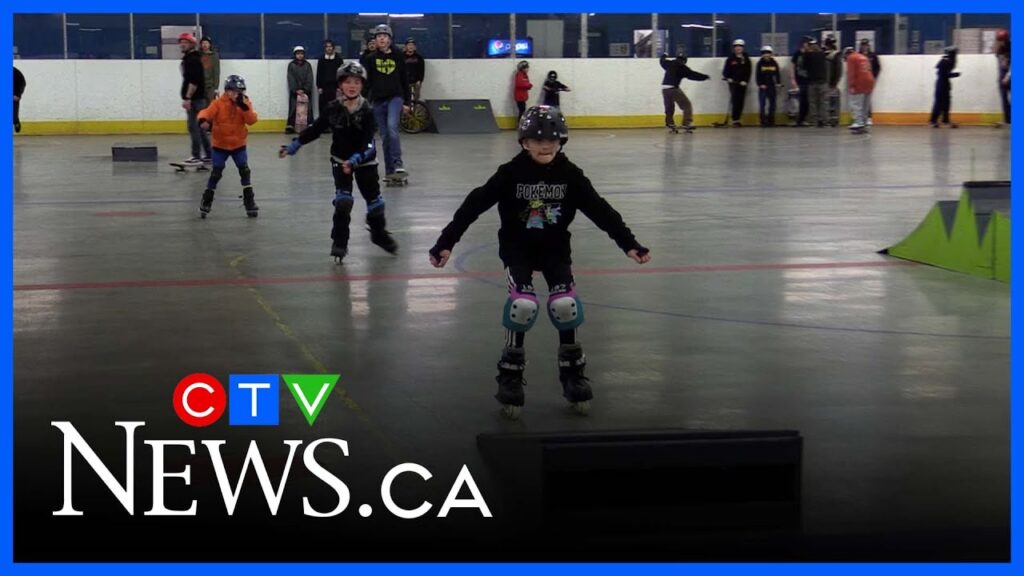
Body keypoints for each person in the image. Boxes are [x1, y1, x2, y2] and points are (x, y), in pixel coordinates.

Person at [426, 105, 651, 419]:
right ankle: (510, 375)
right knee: (523, 306)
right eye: (537, 140)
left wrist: (629, 243)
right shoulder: (510, 173)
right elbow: (473, 205)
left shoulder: (570, 174)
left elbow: (600, 210)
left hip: (555, 249)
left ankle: (573, 374)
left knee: (565, 306)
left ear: (562, 141)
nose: (546, 145)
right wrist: (446, 242)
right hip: (517, 249)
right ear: (524, 142)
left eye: (552, 140)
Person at [279, 62, 398, 262]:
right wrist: (295, 145)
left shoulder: (367, 110)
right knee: (343, 201)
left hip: (364, 160)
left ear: (362, 85)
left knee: (375, 203)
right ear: (340, 85)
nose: (352, 86)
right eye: (348, 82)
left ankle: (378, 234)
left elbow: (369, 143)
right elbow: (315, 129)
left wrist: (356, 159)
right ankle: (339, 242)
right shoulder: (333, 108)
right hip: (340, 159)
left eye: (357, 82)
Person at [196, 75, 259, 218]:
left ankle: (249, 201)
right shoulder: (218, 103)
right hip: (220, 145)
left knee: (244, 171)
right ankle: (207, 199)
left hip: (238, 145)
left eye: (241, 91)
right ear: (228, 91)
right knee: (216, 172)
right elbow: (207, 112)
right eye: (236, 91)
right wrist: (202, 120)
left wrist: (244, 107)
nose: (238, 94)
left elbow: (252, 120)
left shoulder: (245, 102)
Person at [361, 24, 411, 183]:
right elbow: (367, 83)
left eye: (385, 36)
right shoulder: (370, 59)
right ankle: (390, 171)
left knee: (392, 127)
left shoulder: (398, 56)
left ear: (390, 39)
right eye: (379, 36)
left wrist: (407, 102)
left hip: (395, 97)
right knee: (385, 136)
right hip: (378, 100)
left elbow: (404, 80)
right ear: (375, 40)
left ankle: (398, 163)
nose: (381, 38)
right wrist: (361, 101)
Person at [179, 33, 212, 165]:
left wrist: (188, 98)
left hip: (195, 99)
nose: (182, 45)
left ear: (191, 44)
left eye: (185, 42)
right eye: (181, 42)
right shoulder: (194, 58)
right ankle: (209, 155)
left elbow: (194, 81)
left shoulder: (191, 60)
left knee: (194, 127)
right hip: (199, 98)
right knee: (201, 128)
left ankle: (196, 156)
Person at [659, 47, 709, 131]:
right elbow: (693, 75)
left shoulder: (669, 63)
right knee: (686, 105)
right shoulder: (682, 67)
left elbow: (662, 61)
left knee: (669, 107)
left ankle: (669, 123)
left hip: (664, 89)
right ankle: (686, 123)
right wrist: (704, 77)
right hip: (673, 88)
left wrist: (664, 55)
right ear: (684, 60)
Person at [722, 39, 752, 126]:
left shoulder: (746, 59)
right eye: (736, 47)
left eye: (740, 47)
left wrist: (745, 81)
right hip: (733, 83)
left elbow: (748, 71)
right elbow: (725, 71)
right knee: (735, 100)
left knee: (741, 101)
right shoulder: (730, 59)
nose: (738, 48)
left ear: (743, 48)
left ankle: (738, 118)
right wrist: (728, 78)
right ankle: (735, 119)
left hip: (743, 83)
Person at [316, 39, 344, 133]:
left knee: (335, 106)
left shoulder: (338, 59)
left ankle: (334, 124)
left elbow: (341, 74)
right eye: (327, 47)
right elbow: (319, 73)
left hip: (334, 87)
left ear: (333, 48)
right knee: (323, 107)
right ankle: (324, 126)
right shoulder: (321, 59)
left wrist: (340, 86)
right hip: (324, 87)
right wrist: (319, 86)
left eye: (330, 46)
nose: (328, 48)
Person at [845, 46, 875, 132]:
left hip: (859, 82)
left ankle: (858, 122)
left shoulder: (851, 58)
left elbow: (851, 73)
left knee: (856, 104)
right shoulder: (863, 57)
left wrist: (851, 85)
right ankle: (864, 122)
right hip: (869, 81)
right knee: (865, 105)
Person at [930, 46, 961, 128]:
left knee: (945, 104)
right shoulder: (946, 61)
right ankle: (934, 121)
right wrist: (955, 74)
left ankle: (944, 120)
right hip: (942, 85)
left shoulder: (946, 60)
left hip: (943, 85)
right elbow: (944, 74)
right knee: (939, 103)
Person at [286, 46, 315, 134]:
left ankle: (309, 124)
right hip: (295, 92)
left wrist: (305, 89)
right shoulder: (291, 65)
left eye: (301, 54)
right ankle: (290, 125)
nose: (300, 55)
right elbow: (290, 78)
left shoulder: (307, 65)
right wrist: (295, 90)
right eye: (298, 54)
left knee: (308, 108)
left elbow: (310, 78)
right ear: (295, 55)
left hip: (306, 92)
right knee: (293, 108)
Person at [803, 38, 828, 127]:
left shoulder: (808, 55)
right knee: (823, 102)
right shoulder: (823, 54)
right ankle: (824, 120)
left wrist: (806, 52)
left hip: (812, 82)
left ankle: (814, 121)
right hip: (822, 81)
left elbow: (804, 66)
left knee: (813, 102)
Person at [755, 46, 782, 127]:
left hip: (772, 86)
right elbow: (757, 76)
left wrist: (778, 83)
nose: (766, 55)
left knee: (772, 104)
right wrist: (760, 84)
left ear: (770, 54)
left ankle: (771, 121)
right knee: (762, 105)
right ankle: (763, 121)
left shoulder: (774, 63)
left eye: (768, 53)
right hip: (763, 87)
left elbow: (777, 74)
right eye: (764, 53)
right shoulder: (760, 63)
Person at [789, 36, 811, 126]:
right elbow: (792, 66)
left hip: (808, 80)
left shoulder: (810, 54)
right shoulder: (797, 54)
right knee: (801, 100)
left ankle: (804, 118)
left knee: (807, 101)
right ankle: (799, 119)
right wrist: (792, 79)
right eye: (806, 44)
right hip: (800, 80)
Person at [859, 39, 881, 125]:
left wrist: (873, 77)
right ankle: (860, 117)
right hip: (860, 80)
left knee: (867, 99)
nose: (864, 47)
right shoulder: (858, 55)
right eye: (863, 45)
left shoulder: (873, 56)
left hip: (869, 80)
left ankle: (868, 116)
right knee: (860, 99)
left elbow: (877, 67)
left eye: (866, 45)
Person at [824, 36, 843, 126]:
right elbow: (839, 70)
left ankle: (833, 119)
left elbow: (838, 70)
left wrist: (835, 82)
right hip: (828, 82)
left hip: (830, 82)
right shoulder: (833, 54)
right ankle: (831, 119)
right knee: (830, 101)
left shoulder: (835, 54)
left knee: (831, 101)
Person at [995, 29, 1010, 127]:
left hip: (1009, 76)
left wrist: (1007, 77)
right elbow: (1000, 62)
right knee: (1004, 99)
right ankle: (1007, 120)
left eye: (1000, 40)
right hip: (1002, 75)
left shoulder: (1011, 48)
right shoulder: (1000, 49)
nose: (998, 42)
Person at [403, 37, 426, 102]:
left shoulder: (419, 58)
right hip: (405, 82)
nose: (411, 47)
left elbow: (422, 70)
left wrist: (420, 80)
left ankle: (415, 107)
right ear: (406, 46)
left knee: (416, 99)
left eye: (412, 45)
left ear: (415, 47)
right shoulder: (401, 57)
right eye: (409, 45)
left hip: (415, 82)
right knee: (405, 98)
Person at [199, 36, 220, 103]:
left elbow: (216, 72)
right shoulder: (198, 55)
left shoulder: (214, 56)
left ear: (210, 44)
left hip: (210, 87)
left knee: (211, 106)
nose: (205, 45)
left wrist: (216, 88)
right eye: (203, 43)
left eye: (206, 43)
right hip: (199, 86)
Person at [14, 66, 25, 133]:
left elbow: (22, 82)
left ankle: (16, 121)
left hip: (13, 96)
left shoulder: (15, 71)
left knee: (13, 116)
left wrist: (18, 94)